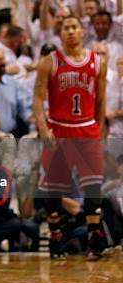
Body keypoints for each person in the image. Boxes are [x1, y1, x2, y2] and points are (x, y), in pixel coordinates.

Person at [33, 16, 108, 259]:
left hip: (87, 128)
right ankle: (56, 237)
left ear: (82, 31)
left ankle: (95, 237)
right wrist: (43, 129)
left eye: (75, 27)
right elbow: (37, 98)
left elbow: (101, 99)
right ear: (60, 32)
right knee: (54, 190)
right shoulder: (49, 61)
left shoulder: (98, 62)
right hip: (59, 128)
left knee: (93, 185)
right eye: (66, 28)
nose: (71, 32)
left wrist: (100, 129)